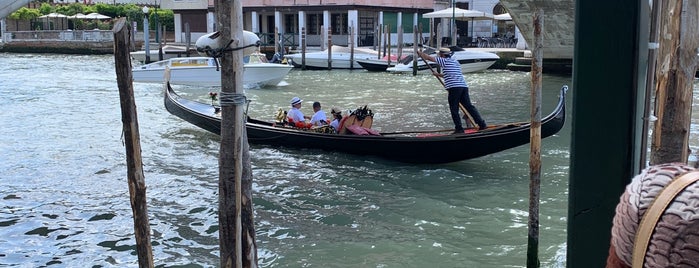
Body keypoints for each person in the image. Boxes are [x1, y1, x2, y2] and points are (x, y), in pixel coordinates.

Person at [417, 47, 487, 133]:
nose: (438, 56)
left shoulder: (444, 60)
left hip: (454, 88)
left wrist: (420, 53)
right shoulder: (455, 62)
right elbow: (450, 74)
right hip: (463, 86)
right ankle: (482, 124)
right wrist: (438, 74)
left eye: (439, 54)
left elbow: (428, 58)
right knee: (469, 106)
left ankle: (459, 129)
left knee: (454, 109)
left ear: (442, 55)